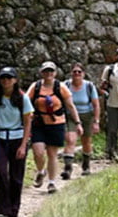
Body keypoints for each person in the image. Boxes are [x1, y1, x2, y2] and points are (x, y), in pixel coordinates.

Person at [0, 66, 33, 217]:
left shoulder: (22, 98)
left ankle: (13, 212)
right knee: (1, 173)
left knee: (16, 176)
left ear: (15, 80)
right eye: (3, 78)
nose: (6, 81)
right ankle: (1, 210)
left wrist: (24, 145)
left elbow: (27, 121)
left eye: (9, 78)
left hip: (17, 138)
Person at [27, 61, 83, 194]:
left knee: (52, 154)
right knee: (38, 152)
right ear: (41, 73)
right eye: (46, 71)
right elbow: (26, 102)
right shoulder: (35, 87)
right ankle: (41, 171)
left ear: (55, 73)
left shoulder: (60, 87)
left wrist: (77, 123)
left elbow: (70, 106)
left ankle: (51, 183)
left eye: (51, 71)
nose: (48, 74)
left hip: (56, 124)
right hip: (39, 123)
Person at [64, 63, 101, 177]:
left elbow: (96, 105)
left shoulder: (89, 86)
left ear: (83, 74)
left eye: (79, 72)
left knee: (86, 141)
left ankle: (86, 165)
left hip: (87, 115)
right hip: (70, 116)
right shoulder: (66, 85)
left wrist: (96, 121)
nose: (77, 74)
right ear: (71, 73)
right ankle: (68, 168)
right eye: (74, 71)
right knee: (70, 139)